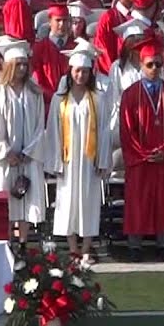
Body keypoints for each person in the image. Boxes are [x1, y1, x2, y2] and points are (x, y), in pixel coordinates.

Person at [45, 45, 112, 267]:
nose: (80, 75)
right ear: (70, 71)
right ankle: (73, 249)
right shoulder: (59, 99)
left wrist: (102, 160)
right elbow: (53, 131)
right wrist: (55, 161)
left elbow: (104, 131)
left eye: (85, 71)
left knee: (89, 203)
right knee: (68, 203)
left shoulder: (98, 99)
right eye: (77, 71)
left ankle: (86, 249)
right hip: (67, 160)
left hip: (89, 161)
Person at [0, 39, 48, 245]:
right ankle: (6, 242)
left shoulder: (34, 94)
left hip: (27, 158)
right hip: (4, 160)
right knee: (6, 203)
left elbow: (39, 127)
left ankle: (23, 243)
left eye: (25, 64)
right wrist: (7, 152)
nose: (22, 69)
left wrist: (28, 152)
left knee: (26, 202)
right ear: (9, 66)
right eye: (18, 65)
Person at [120, 39, 164, 262]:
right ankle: (135, 246)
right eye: (149, 64)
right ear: (141, 65)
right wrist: (143, 154)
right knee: (138, 201)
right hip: (140, 160)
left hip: (163, 160)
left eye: (158, 64)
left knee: (163, 201)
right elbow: (127, 130)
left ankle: (163, 244)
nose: (154, 68)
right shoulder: (130, 95)